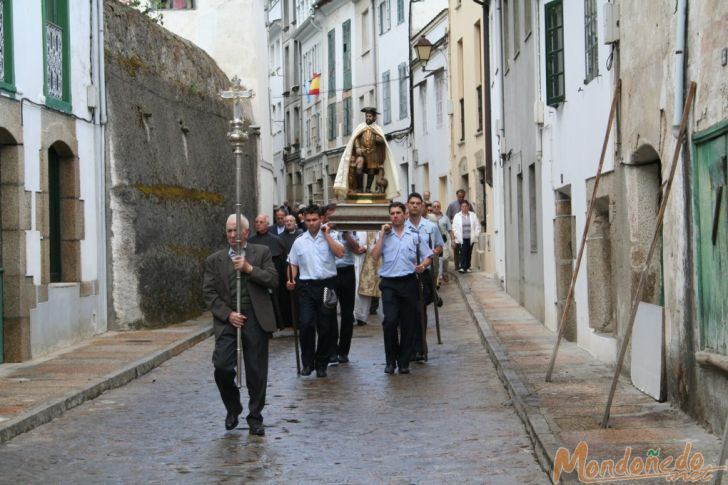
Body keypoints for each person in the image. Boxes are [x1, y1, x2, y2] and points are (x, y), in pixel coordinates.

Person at [202, 214, 278, 435]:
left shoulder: (261, 253)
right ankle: (233, 407)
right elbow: (209, 293)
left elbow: (273, 280)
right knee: (222, 367)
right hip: (228, 319)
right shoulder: (214, 260)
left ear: (246, 233)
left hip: (255, 316)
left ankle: (255, 416)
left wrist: (249, 269)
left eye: (236, 231)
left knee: (256, 370)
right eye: (229, 231)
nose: (232, 235)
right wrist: (227, 314)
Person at [371, 202, 432, 374]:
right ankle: (390, 360)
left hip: (408, 282)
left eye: (398, 212)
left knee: (409, 323)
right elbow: (374, 256)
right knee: (390, 321)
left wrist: (422, 265)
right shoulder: (383, 235)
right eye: (392, 213)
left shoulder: (414, 235)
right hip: (389, 283)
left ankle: (404, 360)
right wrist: (382, 234)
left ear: (405, 215)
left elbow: (428, 256)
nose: (395, 216)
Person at [286, 205, 345, 377]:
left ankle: (322, 363)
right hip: (306, 286)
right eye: (308, 220)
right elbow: (293, 264)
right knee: (305, 324)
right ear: (303, 220)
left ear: (321, 219)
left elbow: (340, 253)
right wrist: (290, 279)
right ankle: (307, 362)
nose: (311, 223)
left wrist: (326, 235)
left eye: (315, 220)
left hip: (328, 285)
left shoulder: (331, 236)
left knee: (326, 327)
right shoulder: (299, 241)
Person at [405, 193, 444, 362]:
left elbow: (439, 246)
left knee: (420, 310)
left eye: (417, 203)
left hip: (424, 272)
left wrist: (434, 252)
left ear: (422, 206)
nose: (414, 206)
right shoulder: (402, 227)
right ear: (407, 205)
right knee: (408, 311)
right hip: (405, 273)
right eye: (412, 203)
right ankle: (409, 347)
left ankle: (421, 347)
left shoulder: (431, 226)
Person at [333, 107, 400, 199]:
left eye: (370, 116)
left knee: (372, 170)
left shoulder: (377, 129)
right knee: (359, 165)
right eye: (367, 116)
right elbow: (355, 138)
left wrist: (378, 139)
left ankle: (368, 188)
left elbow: (382, 140)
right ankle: (359, 188)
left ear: (374, 118)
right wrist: (357, 147)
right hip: (362, 152)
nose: (368, 118)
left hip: (373, 153)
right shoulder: (361, 127)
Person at [331, 229, 365, 363]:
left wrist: (346, 235)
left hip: (347, 271)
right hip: (330, 272)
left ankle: (343, 351)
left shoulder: (350, 231)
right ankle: (332, 349)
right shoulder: (326, 231)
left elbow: (357, 250)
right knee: (329, 312)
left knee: (347, 313)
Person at [452, 201, 482, 273]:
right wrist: (456, 234)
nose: (464, 208)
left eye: (466, 206)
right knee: (463, 252)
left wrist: (476, 234)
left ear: (468, 207)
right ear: (461, 207)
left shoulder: (473, 215)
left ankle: (468, 266)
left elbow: (477, 226)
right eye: (463, 206)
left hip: (470, 237)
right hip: (461, 237)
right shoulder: (457, 216)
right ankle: (462, 267)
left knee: (469, 252)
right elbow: (454, 227)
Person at [430, 201, 454, 285]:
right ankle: (438, 278)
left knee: (445, 258)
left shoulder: (445, 218)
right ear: (432, 208)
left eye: (438, 206)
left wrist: (453, 240)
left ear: (440, 207)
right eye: (434, 206)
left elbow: (450, 230)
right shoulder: (429, 217)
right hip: (434, 243)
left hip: (444, 242)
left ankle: (444, 272)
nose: (436, 208)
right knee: (437, 260)